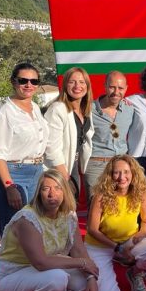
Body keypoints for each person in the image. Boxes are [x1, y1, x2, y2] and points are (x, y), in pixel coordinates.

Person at [0, 169, 99, 291]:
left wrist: (90, 276)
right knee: (56, 279)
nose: (52, 194)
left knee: (85, 282)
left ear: (65, 191)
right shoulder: (28, 219)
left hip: (44, 268)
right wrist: (83, 263)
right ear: (39, 193)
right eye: (46, 189)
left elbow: (78, 249)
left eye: (57, 188)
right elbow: (41, 263)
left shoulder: (68, 214)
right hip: (13, 273)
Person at [85, 155, 146, 291]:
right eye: (117, 172)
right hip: (100, 245)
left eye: (126, 172)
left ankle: (134, 273)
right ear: (110, 175)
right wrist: (117, 248)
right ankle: (105, 267)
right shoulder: (101, 196)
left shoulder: (140, 191)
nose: (122, 177)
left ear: (133, 173)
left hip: (128, 241)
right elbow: (92, 229)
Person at [0, 62, 49, 236]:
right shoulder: (4, 113)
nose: (29, 85)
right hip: (13, 174)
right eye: (23, 80)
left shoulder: (35, 108)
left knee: (35, 228)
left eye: (34, 81)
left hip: (36, 172)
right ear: (13, 82)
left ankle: (33, 263)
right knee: (15, 232)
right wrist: (10, 186)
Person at [84, 71, 136, 203]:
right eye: (112, 87)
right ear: (105, 86)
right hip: (97, 165)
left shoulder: (130, 109)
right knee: (95, 207)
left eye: (120, 88)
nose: (116, 92)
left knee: (119, 207)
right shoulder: (89, 109)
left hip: (121, 166)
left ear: (126, 89)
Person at [45, 67, 94, 201]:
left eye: (82, 82)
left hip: (74, 166)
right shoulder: (57, 109)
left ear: (87, 86)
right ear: (65, 84)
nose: (77, 86)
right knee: (60, 211)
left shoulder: (86, 110)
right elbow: (50, 147)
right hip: (59, 169)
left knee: (70, 211)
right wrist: (63, 175)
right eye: (72, 82)